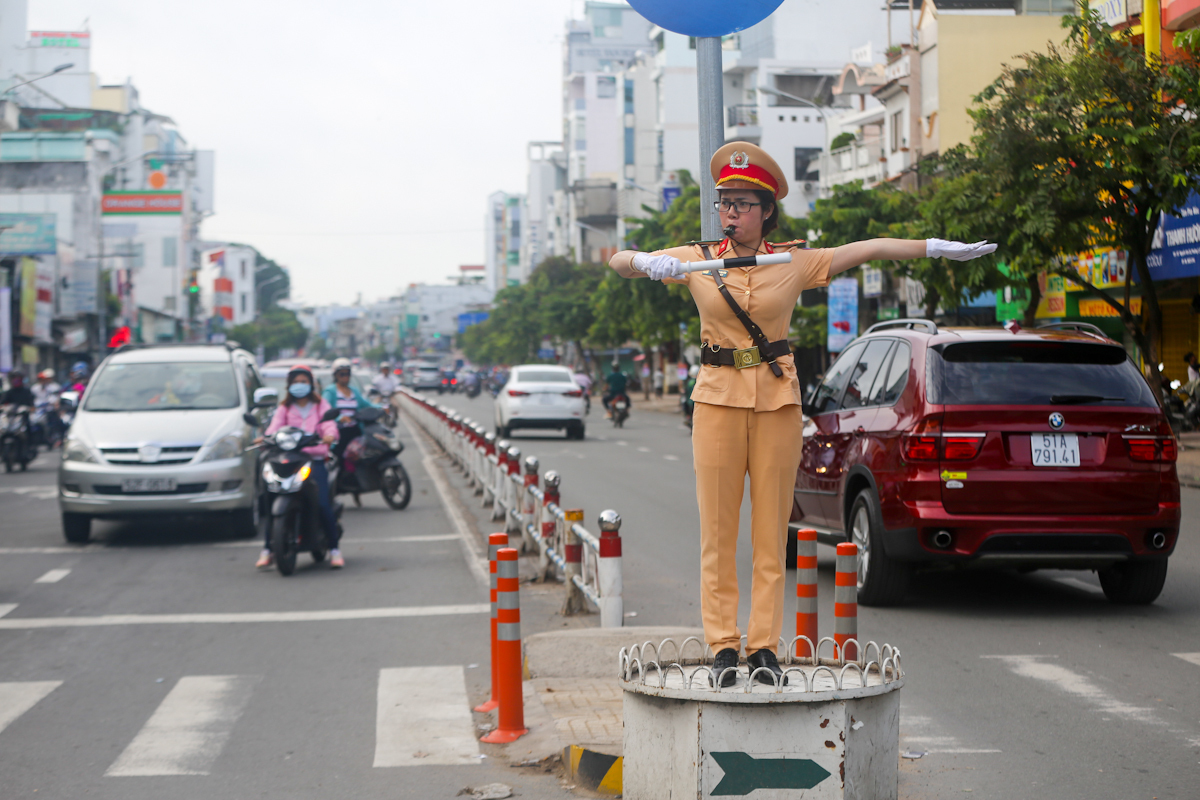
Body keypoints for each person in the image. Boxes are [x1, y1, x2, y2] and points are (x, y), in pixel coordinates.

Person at [608, 141, 996, 686]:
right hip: (717, 400)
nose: (731, 213)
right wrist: (647, 262)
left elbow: (869, 248)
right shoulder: (697, 259)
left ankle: (763, 647)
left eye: (743, 203)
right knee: (718, 534)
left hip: (776, 403)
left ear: (766, 210)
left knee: (771, 531)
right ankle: (723, 646)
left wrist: (932, 247)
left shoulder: (790, 261)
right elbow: (617, 260)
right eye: (725, 203)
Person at [258, 366, 343, 569]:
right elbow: (274, 427)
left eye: (304, 381)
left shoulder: (320, 404)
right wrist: (266, 437)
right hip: (289, 460)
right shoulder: (284, 408)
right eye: (296, 382)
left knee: (322, 503)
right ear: (289, 386)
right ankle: (268, 549)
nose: (300, 385)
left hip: (314, 460)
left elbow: (329, 425)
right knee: (270, 500)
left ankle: (334, 549)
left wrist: (329, 435)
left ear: (311, 384)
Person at [322, 357, 378, 474]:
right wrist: (339, 418)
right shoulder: (330, 391)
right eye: (342, 374)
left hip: (356, 430)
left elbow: (366, 405)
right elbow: (325, 409)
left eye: (347, 374)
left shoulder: (354, 391)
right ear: (336, 375)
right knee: (341, 455)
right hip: (339, 432)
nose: (345, 377)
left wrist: (381, 408)